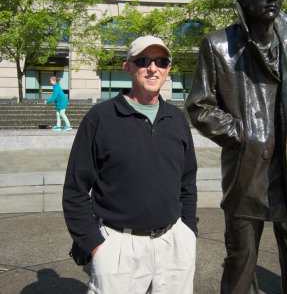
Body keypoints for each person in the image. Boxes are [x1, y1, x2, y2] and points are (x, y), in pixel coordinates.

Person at [185, 0, 287, 294]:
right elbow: (199, 106)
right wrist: (245, 135)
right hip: (246, 174)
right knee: (240, 262)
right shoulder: (218, 45)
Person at [63, 35, 198, 294]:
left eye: (161, 61)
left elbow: (187, 182)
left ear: (168, 68)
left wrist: (188, 231)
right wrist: (95, 245)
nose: (152, 68)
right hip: (118, 247)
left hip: (174, 244)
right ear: (128, 68)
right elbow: (75, 189)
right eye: (143, 61)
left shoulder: (177, 120)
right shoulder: (100, 118)